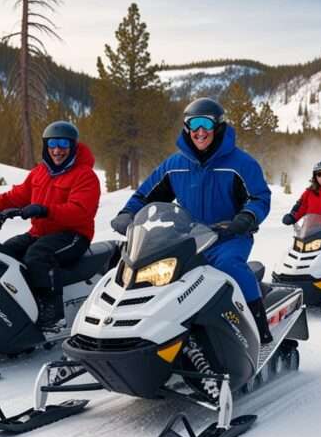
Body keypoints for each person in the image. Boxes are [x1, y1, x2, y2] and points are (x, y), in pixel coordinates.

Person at [109, 98, 274, 344]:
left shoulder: (241, 163)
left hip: (229, 236)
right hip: (189, 237)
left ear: (218, 126)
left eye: (205, 124)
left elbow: (259, 197)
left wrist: (246, 217)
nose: (199, 131)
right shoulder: (175, 165)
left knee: (229, 266)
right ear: (186, 127)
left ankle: (259, 329)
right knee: (156, 275)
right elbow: (145, 194)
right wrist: (127, 213)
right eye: (193, 124)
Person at [0, 121, 100, 327]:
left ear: (72, 146)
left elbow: (81, 212)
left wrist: (45, 210)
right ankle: (12, 307)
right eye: (52, 144)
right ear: (46, 146)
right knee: (5, 252)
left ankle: (52, 313)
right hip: (40, 233)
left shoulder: (84, 175)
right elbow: (15, 196)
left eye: (63, 144)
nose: (57, 150)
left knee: (38, 256)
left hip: (73, 234)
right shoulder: (40, 172)